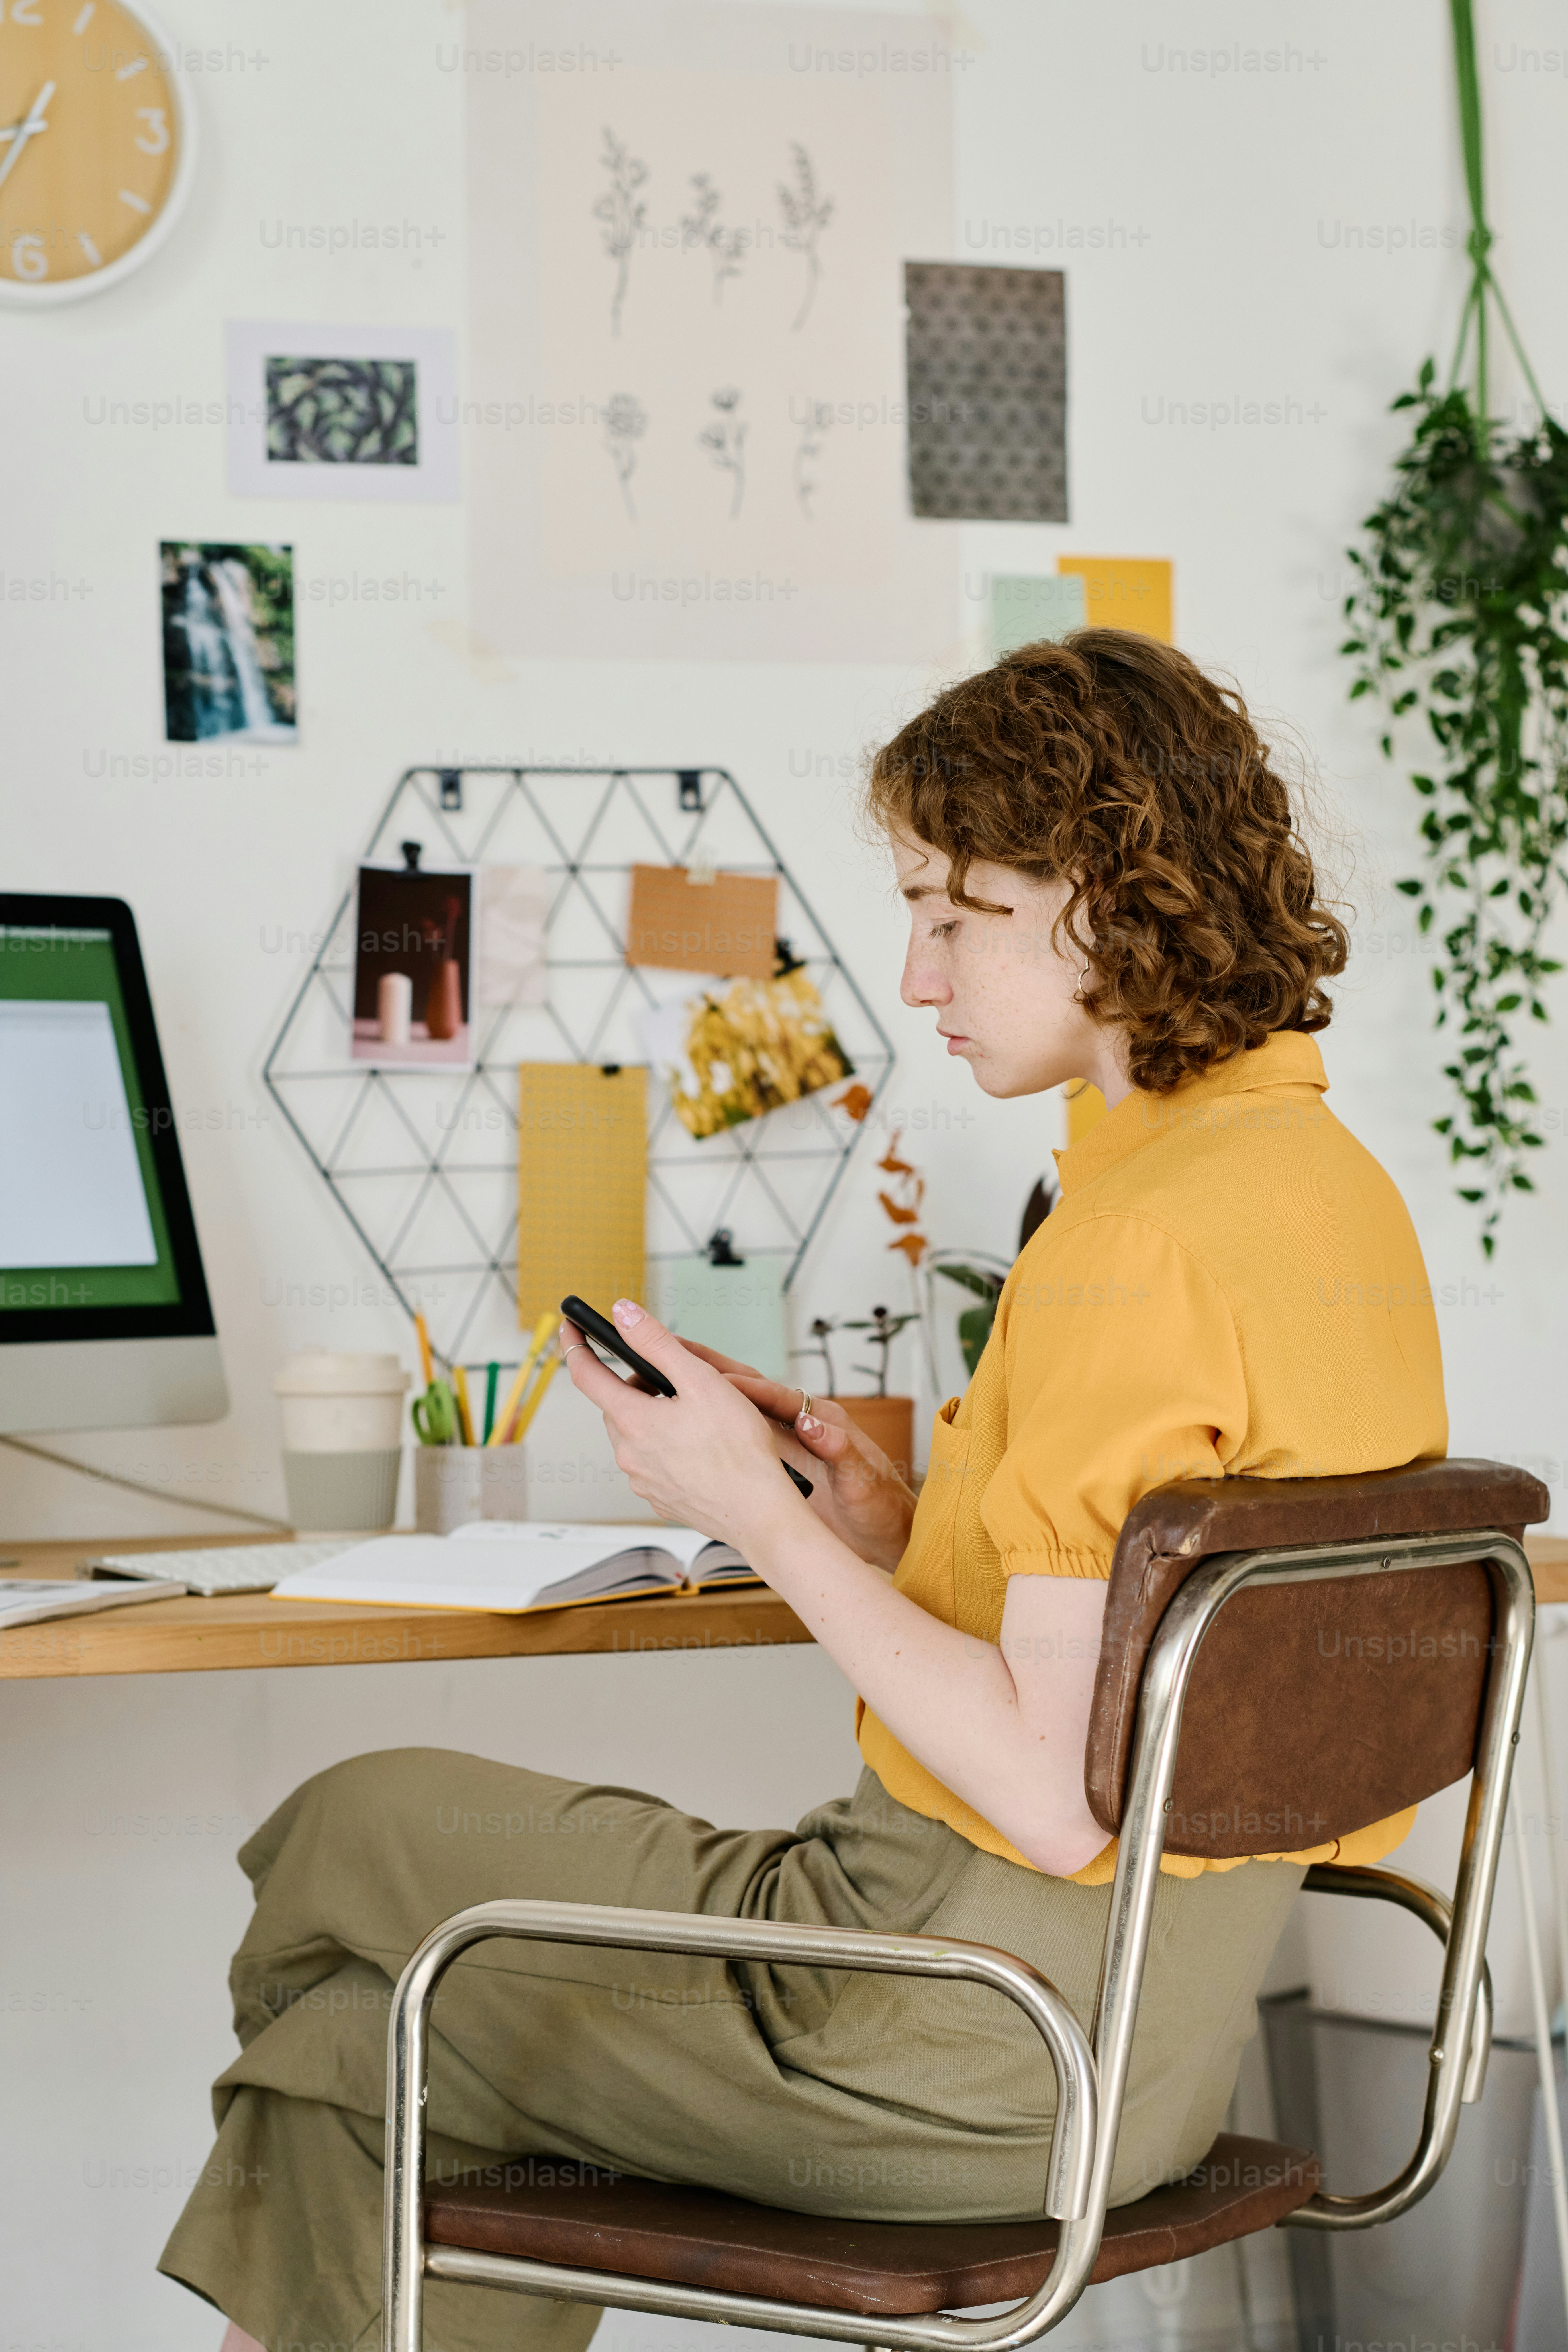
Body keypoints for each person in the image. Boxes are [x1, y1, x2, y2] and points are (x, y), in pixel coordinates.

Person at [162, 631, 1446, 2352]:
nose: (917, 976)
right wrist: (890, 1532)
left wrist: (747, 1511)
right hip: (1150, 2060)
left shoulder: (1132, 1248)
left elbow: (1060, 1807)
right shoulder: (1327, 1194)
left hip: (949, 2036)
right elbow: (1152, 1679)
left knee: (351, 1932)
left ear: (1102, 890)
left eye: (953, 913)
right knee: (375, 1957)